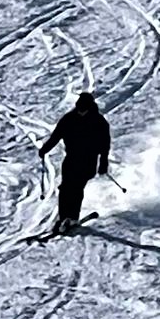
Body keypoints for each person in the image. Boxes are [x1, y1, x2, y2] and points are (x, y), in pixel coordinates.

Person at [39, 92, 111, 233]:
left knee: (76, 189)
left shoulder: (99, 122)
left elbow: (104, 144)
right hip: (71, 159)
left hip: (88, 160)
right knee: (65, 188)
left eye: (84, 109)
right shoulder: (69, 119)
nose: (81, 111)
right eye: (79, 108)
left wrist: (103, 163)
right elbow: (56, 135)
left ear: (90, 107)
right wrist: (45, 149)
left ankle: (72, 217)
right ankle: (63, 218)